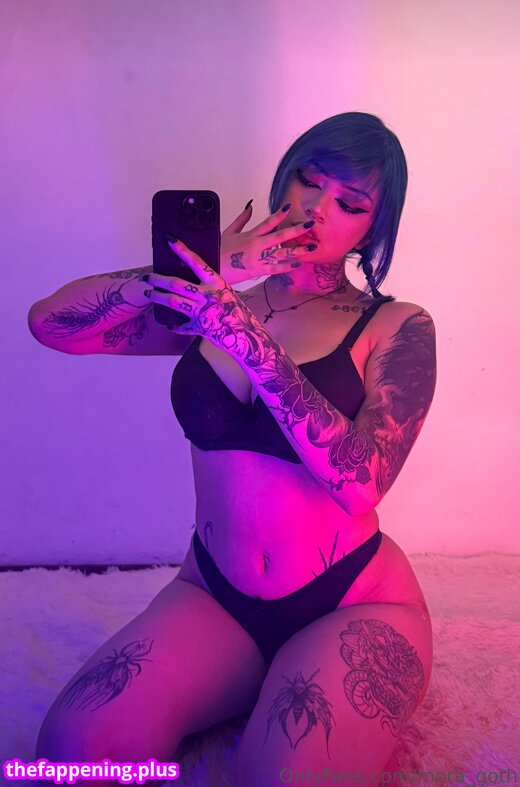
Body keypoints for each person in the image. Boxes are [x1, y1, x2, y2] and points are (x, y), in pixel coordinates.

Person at [32, 111, 436, 784]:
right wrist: (213, 266)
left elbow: (363, 481)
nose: (317, 208)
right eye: (309, 180)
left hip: (354, 600)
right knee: (72, 750)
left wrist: (245, 337)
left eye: (350, 203)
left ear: (373, 228)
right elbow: (52, 325)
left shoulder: (395, 325)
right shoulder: (208, 301)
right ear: (284, 180)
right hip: (216, 595)